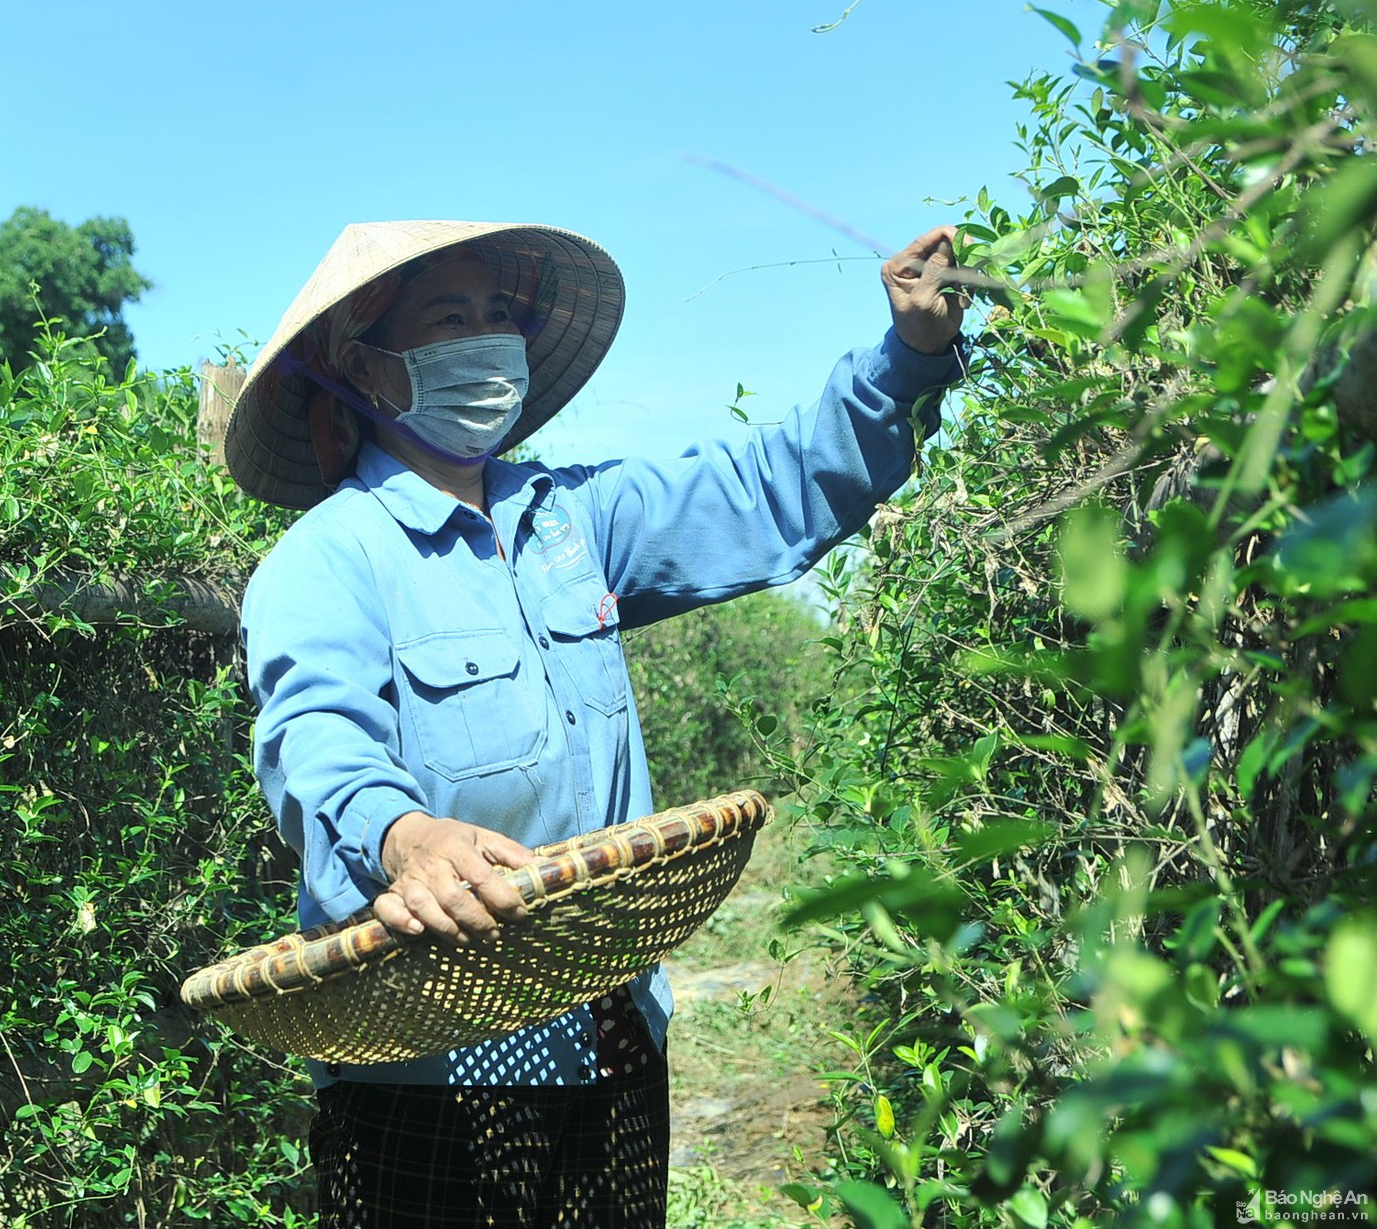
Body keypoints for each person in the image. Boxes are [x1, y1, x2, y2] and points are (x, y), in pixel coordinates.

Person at [223, 220, 966, 1227]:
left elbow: (768, 489)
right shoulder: (327, 560)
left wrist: (909, 358)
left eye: (498, 316)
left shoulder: (571, 521)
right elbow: (315, 736)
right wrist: (407, 838)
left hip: (611, 1033)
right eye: (449, 317)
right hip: (431, 1069)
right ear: (363, 365)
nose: (486, 340)